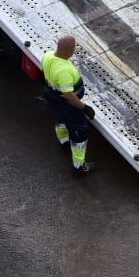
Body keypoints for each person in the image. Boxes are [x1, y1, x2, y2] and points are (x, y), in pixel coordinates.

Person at [41, 34, 95, 176]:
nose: (73, 50)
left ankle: (64, 144)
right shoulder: (63, 71)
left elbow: (46, 75)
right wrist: (84, 108)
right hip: (68, 107)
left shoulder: (47, 56)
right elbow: (69, 96)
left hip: (54, 102)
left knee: (60, 123)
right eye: (73, 48)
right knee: (80, 134)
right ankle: (79, 167)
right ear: (68, 50)